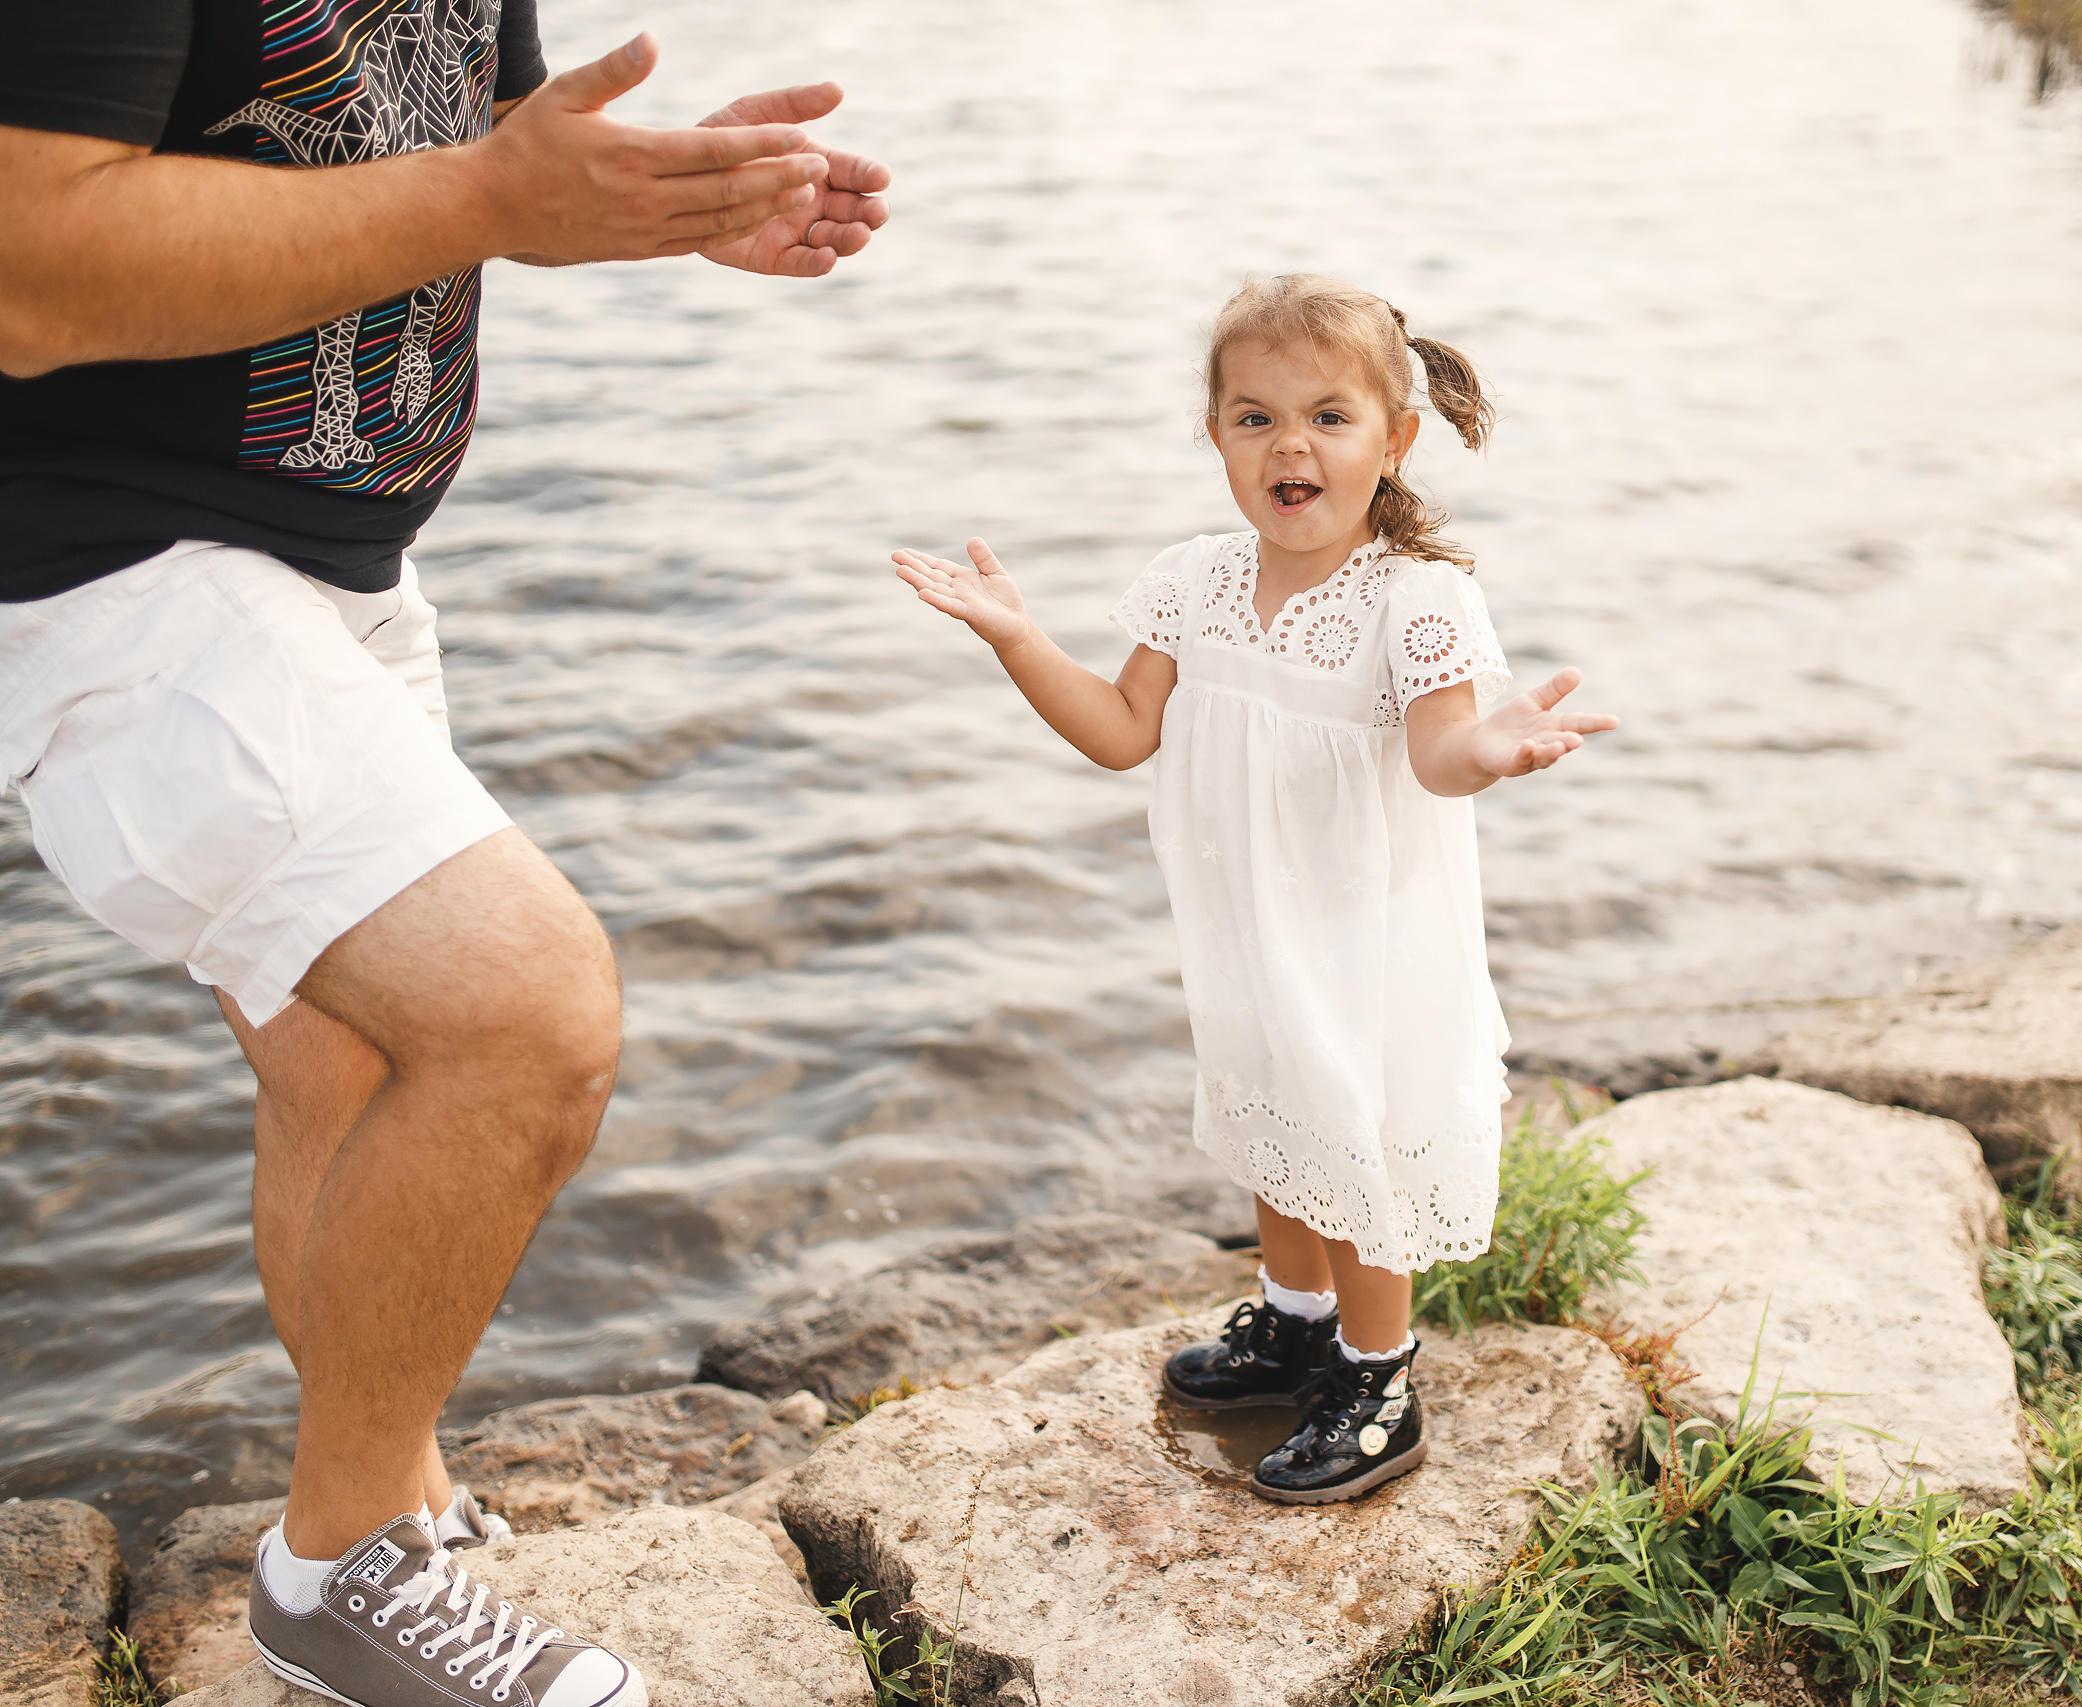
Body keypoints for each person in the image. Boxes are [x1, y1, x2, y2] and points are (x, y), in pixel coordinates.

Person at [0, 7, 889, 1703]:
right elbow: (30, 264)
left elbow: (471, 142)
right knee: (524, 1013)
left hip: (333, 562)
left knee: (345, 1067)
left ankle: (382, 1505)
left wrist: (666, 196)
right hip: (108, 569)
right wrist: (489, 194)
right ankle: (334, 1575)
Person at [891, 273, 1617, 1504]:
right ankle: (1295, 1324)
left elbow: (1441, 754)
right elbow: (1123, 731)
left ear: (1394, 439)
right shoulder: (1195, 581)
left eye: (1329, 418)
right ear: (1216, 434)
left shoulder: (1414, 597)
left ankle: (1378, 1378)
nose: (1292, 445)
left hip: (1362, 935)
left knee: (1356, 1136)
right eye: (1255, 417)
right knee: (1274, 1113)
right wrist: (1018, 638)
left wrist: (1490, 750)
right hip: (1244, 921)